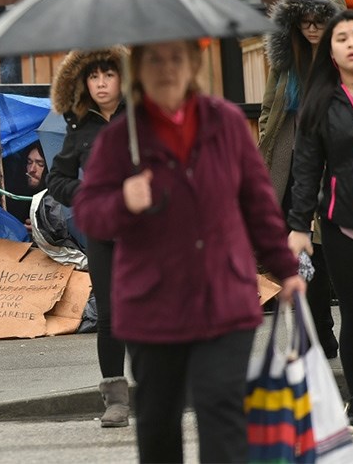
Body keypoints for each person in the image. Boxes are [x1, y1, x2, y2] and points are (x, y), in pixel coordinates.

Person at [72, 40, 306, 463]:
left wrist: (286, 270)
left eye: (176, 57)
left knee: (222, 412)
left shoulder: (227, 123)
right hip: (152, 307)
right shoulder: (120, 138)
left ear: (194, 64)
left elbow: (258, 204)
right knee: (159, 422)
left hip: (224, 298)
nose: (166, 67)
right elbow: (89, 214)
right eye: (155, 59)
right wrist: (123, 200)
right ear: (138, 70)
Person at [287, 9, 353, 433]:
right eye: (342, 38)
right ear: (331, 51)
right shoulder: (319, 102)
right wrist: (298, 227)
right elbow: (306, 169)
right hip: (339, 223)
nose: (352, 44)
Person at [259, 0, 346, 358]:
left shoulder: (346, 61)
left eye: (319, 21)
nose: (311, 28)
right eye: (304, 21)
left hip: (333, 164)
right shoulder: (287, 58)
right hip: (289, 163)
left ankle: (330, 329)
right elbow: (268, 109)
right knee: (300, 252)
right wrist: (267, 138)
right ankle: (318, 332)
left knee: (331, 249)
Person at [46, 45, 130, 427]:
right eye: (93, 77)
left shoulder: (143, 120)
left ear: (121, 78)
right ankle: (115, 400)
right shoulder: (79, 127)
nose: (100, 83)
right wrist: (84, 194)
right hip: (102, 233)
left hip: (144, 231)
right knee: (111, 317)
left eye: (108, 75)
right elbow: (57, 179)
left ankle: (162, 387)